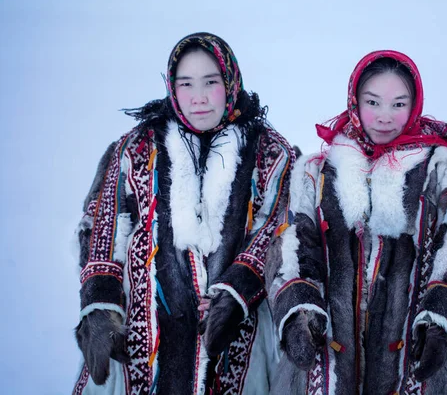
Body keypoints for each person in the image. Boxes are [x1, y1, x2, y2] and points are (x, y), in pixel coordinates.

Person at [267, 50, 447, 394]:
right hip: (330, 355)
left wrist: (445, 312)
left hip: (423, 357)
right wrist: (297, 305)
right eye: (373, 102)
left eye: (398, 104)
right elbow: (292, 241)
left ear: (414, 104)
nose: (384, 117)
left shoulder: (441, 169)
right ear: (355, 101)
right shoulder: (316, 172)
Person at [73, 32, 294, 395]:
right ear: (172, 87)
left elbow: (278, 228)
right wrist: (100, 306)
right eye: (186, 83)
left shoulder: (270, 151)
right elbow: (104, 226)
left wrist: (235, 292)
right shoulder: (138, 147)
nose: (199, 97)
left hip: (238, 338)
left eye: (211, 82)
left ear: (231, 82)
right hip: (144, 338)